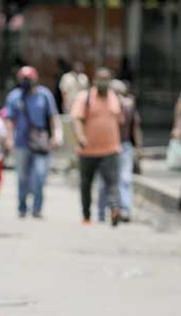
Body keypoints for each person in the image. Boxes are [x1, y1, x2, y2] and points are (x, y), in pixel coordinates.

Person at [4, 66, 62, 219]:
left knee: (40, 175)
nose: (26, 82)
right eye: (24, 79)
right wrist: (9, 138)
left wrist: (56, 135)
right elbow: (9, 120)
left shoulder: (44, 95)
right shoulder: (14, 96)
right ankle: (22, 207)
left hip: (40, 143)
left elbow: (52, 117)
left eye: (28, 79)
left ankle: (37, 208)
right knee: (22, 177)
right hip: (21, 142)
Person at [71, 67, 124, 226]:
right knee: (86, 185)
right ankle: (86, 215)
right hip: (88, 150)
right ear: (94, 81)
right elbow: (76, 119)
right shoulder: (84, 97)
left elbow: (120, 121)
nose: (103, 82)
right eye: (100, 79)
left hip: (111, 149)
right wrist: (80, 136)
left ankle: (115, 209)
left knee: (112, 183)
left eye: (106, 79)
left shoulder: (114, 97)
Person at [99, 80, 141, 223]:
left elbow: (134, 127)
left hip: (121, 145)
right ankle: (109, 210)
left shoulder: (126, 105)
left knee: (122, 179)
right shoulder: (107, 105)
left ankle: (122, 210)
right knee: (116, 179)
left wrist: (138, 148)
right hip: (111, 145)